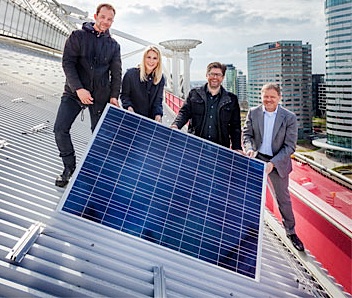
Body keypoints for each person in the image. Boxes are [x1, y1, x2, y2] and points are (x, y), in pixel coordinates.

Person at [54, 3, 122, 187]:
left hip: (100, 95)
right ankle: (69, 168)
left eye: (110, 19)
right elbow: (67, 63)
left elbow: (116, 74)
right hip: (75, 92)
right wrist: (78, 89)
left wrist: (114, 96)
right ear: (95, 16)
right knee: (60, 130)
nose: (106, 22)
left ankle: (94, 173)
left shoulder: (114, 46)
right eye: (103, 17)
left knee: (100, 135)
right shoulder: (77, 36)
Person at [242, 83, 304, 251]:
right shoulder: (253, 113)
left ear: (279, 98)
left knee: (283, 200)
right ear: (261, 96)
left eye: (272, 97)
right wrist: (249, 149)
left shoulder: (289, 117)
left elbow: (290, 146)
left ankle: (291, 232)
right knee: (249, 196)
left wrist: (273, 164)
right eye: (265, 96)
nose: (268, 100)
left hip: (277, 162)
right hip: (257, 158)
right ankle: (246, 231)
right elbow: (247, 135)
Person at [170, 62, 241, 150]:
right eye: (212, 74)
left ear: (222, 78)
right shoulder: (194, 94)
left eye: (218, 75)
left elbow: (235, 126)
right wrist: (176, 125)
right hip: (195, 145)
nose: (215, 77)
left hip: (220, 149)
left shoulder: (231, 99)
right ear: (207, 75)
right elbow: (184, 113)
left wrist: (237, 147)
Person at [120, 45, 164, 122]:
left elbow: (158, 101)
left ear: (158, 61)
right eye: (148, 57)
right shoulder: (130, 74)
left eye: (155, 58)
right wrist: (129, 108)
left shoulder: (160, 78)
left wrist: (158, 115)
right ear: (144, 58)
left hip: (150, 122)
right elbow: (124, 96)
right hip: (132, 119)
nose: (151, 61)